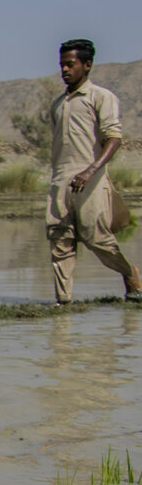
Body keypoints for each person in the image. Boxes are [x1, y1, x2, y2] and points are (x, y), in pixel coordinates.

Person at [45, 38, 141, 304]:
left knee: (96, 239)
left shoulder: (101, 97)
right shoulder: (57, 104)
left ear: (87, 65)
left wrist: (91, 171)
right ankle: (63, 303)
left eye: (70, 64)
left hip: (91, 179)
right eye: (62, 65)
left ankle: (129, 272)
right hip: (60, 181)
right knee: (59, 240)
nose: (64, 70)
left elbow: (114, 138)